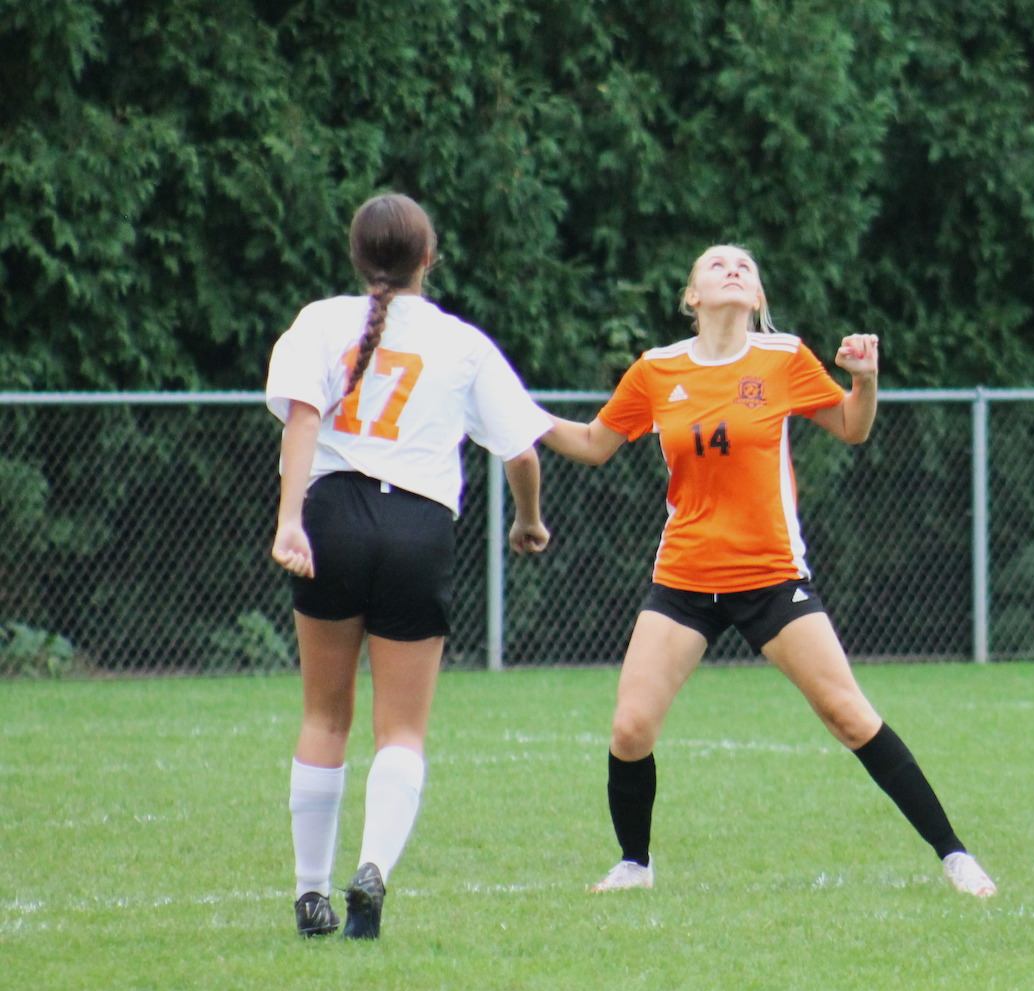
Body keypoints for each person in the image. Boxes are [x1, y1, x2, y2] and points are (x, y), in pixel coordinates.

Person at [541, 244, 996, 897]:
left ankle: (955, 855)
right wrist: (521, 419)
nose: (732, 269)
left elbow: (852, 426)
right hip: (685, 578)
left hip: (771, 576)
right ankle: (634, 865)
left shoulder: (782, 357)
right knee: (631, 728)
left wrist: (865, 381)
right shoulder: (656, 369)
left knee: (848, 715)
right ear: (692, 296)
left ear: (756, 298)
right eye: (716, 265)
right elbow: (593, 443)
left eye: (745, 267)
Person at [266, 193, 554, 939]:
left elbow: (302, 419)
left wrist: (291, 520)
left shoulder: (319, 320)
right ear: (428, 259)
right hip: (419, 527)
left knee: (324, 715)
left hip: (332, 515)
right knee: (401, 730)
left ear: (357, 256)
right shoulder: (462, 341)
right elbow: (521, 453)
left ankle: (309, 894)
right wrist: (527, 519)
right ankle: (372, 870)